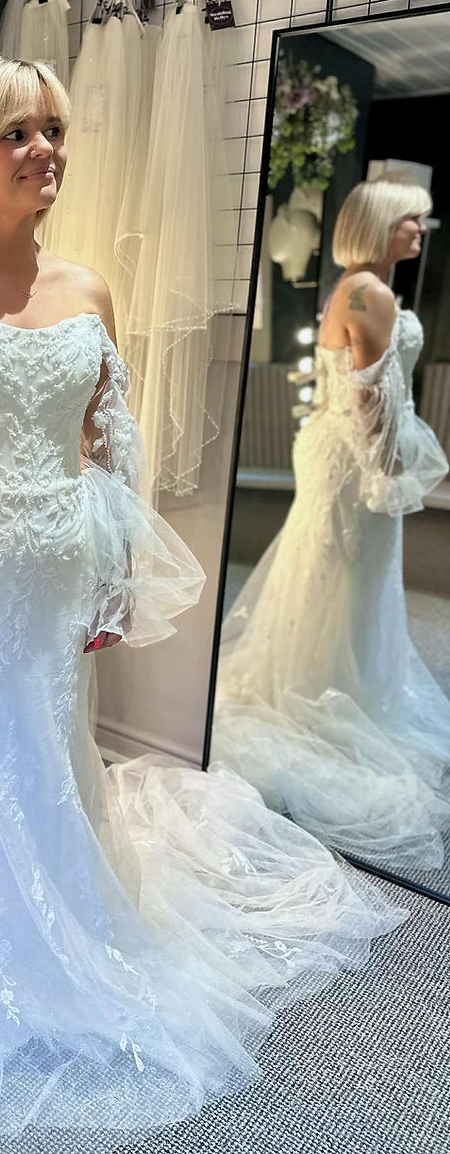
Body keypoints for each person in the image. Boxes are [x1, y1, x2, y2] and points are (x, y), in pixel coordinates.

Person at [0, 58, 407, 1154]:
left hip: (57, 579)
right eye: (16, 131)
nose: (43, 149)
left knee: (50, 758)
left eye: (52, 128)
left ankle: (65, 936)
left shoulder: (88, 287)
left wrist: (111, 574)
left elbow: (107, 443)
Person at [213, 175, 450, 871]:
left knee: (334, 573)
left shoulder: (357, 285)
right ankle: (330, 692)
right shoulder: (368, 293)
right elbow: (373, 401)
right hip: (355, 462)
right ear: (383, 222)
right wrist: (389, 474)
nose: (419, 231)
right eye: (412, 220)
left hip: (336, 450)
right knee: (346, 572)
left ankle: (330, 680)